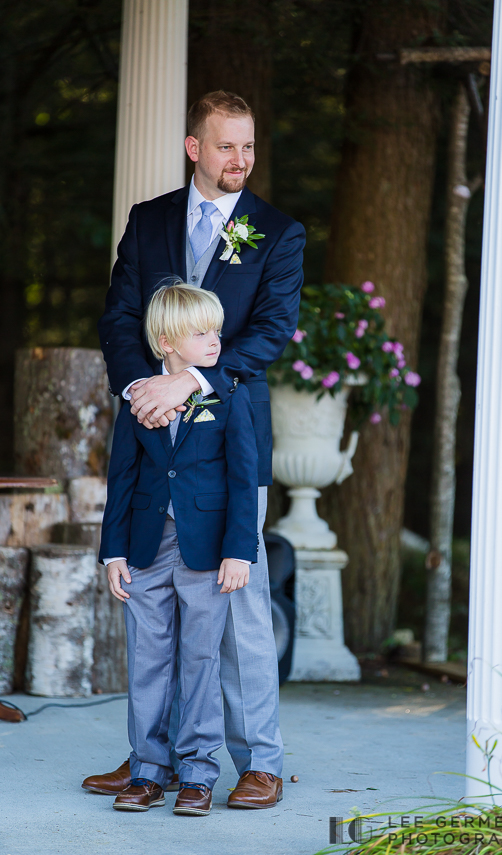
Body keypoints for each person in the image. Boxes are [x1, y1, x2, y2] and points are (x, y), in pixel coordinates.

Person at [83, 90, 305, 809]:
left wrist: (191, 383)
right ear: (194, 148)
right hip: (154, 435)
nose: (239, 160)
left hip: (230, 443)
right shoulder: (148, 221)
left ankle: (261, 759)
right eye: (225, 146)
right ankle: (162, 758)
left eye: (248, 147)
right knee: (161, 623)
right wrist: (142, 390)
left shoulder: (277, 231)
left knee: (236, 614)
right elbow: (121, 315)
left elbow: (270, 331)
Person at [101, 284, 259, 814]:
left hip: (209, 551)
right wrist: (113, 551)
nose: (216, 341)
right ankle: (148, 769)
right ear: (167, 341)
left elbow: (244, 478)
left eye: (217, 330)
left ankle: (197, 772)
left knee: (199, 659)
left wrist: (241, 550)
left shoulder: (228, 394)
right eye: (202, 332)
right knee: (146, 658)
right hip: (146, 548)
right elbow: (121, 477)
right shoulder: (139, 399)